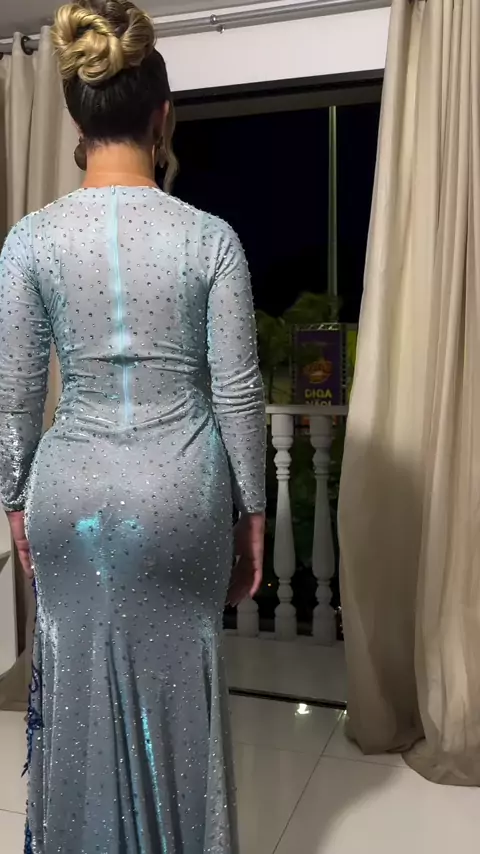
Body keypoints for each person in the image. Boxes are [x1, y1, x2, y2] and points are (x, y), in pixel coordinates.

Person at [0, 1, 266, 851]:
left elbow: (14, 395)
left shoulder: (30, 241)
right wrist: (253, 513)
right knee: (181, 696)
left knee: (76, 691)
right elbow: (239, 392)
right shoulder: (211, 239)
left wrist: (15, 499)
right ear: (162, 116)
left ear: (78, 122)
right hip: (184, 496)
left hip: (68, 498)